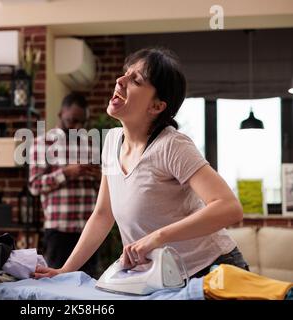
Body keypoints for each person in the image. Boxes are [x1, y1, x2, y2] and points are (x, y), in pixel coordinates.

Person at [33, 48, 248, 280]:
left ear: (156, 106)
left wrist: (158, 237)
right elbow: (103, 214)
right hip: (164, 277)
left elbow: (229, 208)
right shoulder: (112, 142)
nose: (120, 80)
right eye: (126, 73)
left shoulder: (172, 145)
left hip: (213, 270)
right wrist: (64, 271)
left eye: (135, 80)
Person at [28, 92, 101, 277]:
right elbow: (35, 186)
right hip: (58, 231)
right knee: (56, 288)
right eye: (71, 120)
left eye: (81, 122)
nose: (76, 126)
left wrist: (99, 176)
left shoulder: (92, 145)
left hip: (89, 231)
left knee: (89, 287)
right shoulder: (41, 144)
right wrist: (66, 173)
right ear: (61, 114)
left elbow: (104, 192)